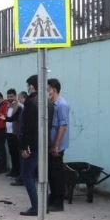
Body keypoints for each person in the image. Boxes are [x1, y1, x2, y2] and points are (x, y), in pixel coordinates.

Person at [18, 75, 40, 216]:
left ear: (32, 86)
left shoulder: (31, 102)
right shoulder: (45, 101)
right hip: (41, 144)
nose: (28, 88)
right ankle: (42, 205)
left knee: (27, 175)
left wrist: (25, 147)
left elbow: (28, 127)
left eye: (29, 85)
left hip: (32, 145)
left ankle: (36, 206)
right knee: (39, 176)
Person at [48, 78, 70, 212]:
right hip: (51, 145)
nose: (46, 91)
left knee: (57, 174)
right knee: (51, 173)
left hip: (57, 146)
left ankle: (58, 202)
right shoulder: (52, 103)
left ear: (53, 89)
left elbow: (63, 126)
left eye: (47, 89)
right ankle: (53, 198)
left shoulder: (62, 105)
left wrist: (56, 145)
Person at [3, 88, 22, 180]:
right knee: (11, 152)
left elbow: (13, 119)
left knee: (16, 153)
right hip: (8, 132)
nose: (9, 98)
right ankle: (13, 170)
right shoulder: (8, 106)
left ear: (15, 96)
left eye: (11, 96)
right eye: (8, 96)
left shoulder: (18, 106)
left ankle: (18, 171)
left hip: (15, 133)